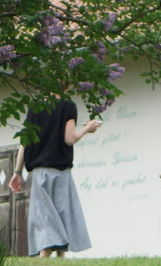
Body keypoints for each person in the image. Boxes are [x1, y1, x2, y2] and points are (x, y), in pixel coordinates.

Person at [10, 99, 99, 257]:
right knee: (61, 221)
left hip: (39, 174)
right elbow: (69, 138)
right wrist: (87, 128)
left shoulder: (34, 108)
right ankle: (53, 263)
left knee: (47, 221)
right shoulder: (67, 106)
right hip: (60, 173)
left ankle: (54, 265)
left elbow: (24, 142)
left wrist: (17, 172)